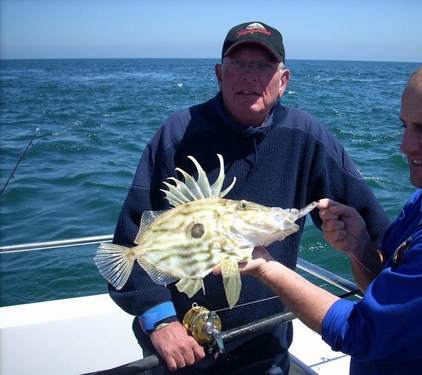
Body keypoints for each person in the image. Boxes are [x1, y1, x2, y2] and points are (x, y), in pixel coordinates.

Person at [108, 21, 390, 375]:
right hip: (182, 346)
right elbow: (134, 238)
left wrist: (368, 253)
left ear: (283, 80)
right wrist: (160, 321)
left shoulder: (307, 137)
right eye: (238, 64)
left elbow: (370, 224)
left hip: (266, 343)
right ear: (219, 75)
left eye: (263, 66)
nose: (249, 76)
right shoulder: (177, 134)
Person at [236, 52, 422, 374]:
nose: (405, 145)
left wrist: (266, 266)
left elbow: (361, 332)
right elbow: (383, 292)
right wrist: (360, 248)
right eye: (404, 126)